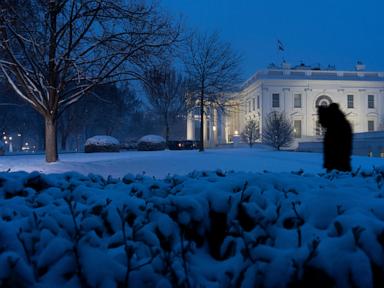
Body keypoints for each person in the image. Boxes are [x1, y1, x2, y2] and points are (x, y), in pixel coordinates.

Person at [317, 103, 352, 172]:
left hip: (337, 163)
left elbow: (336, 146)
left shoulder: (335, 125)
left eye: (321, 120)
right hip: (338, 162)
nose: (320, 123)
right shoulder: (338, 122)